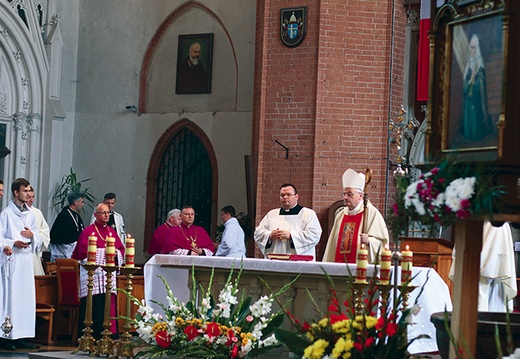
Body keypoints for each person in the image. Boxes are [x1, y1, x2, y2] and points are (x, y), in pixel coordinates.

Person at [72, 203, 124, 339]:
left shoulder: (111, 232)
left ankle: (109, 334)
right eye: (103, 213)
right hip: (92, 277)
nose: (107, 215)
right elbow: (83, 253)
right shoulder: (88, 231)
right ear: (96, 215)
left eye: (108, 213)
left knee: (108, 301)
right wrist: (105, 252)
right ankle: (91, 334)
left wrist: (114, 253)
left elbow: (121, 250)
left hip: (108, 276)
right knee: (94, 303)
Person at [0, 178, 41, 350]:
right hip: (13, 260)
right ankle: (8, 336)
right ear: (16, 192)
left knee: (25, 298)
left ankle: (22, 335)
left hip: (25, 260)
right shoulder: (6, 214)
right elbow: (0, 238)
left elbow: (38, 235)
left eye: (29, 190)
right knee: (12, 297)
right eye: (25, 191)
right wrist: (11, 244)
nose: (28, 194)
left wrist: (32, 235)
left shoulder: (30, 214)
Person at [323, 169, 389, 264]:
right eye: (344, 194)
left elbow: (383, 243)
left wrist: (369, 241)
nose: (345, 197)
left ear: (360, 196)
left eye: (350, 194)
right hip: (339, 264)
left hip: (361, 266)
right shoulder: (341, 215)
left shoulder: (371, 213)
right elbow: (332, 245)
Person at [449, 221, 517, 312]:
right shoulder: (472, 223)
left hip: (489, 279)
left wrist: (473, 266)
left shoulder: (498, 224)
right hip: (471, 275)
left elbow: (493, 258)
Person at [254, 183, 322, 260]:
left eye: (288, 194)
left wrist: (291, 236)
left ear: (296, 196)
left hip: (299, 261)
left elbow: (314, 235)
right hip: (274, 260)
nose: (285, 197)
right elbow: (257, 233)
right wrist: (270, 235)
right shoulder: (272, 214)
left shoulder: (308, 214)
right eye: (282, 195)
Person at [461, 34, 493, 142]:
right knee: (468, 119)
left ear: (477, 49)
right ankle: (468, 136)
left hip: (476, 98)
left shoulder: (479, 65)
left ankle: (477, 136)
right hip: (468, 100)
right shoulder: (468, 64)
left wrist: (475, 82)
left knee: (475, 120)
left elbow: (481, 84)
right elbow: (465, 83)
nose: (471, 50)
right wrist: (469, 82)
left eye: (473, 48)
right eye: (470, 47)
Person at [49, 192, 85, 261]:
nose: (83, 204)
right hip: (63, 250)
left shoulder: (76, 215)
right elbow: (58, 236)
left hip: (73, 249)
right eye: (82, 202)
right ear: (75, 203)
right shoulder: (64, 216)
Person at [26, 186, 50, 275]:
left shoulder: (37, 213)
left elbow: (44, 233)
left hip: (34, 253)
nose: (31, 200)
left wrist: (33, 236)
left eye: (33, 197)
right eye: (29, 197)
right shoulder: (14, 212)